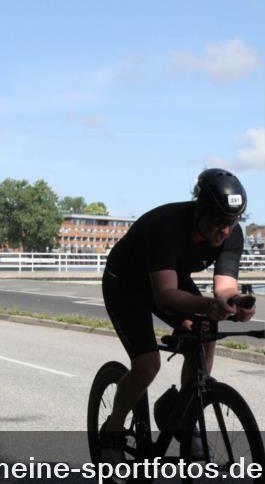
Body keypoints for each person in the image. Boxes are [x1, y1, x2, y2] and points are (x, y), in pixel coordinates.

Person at [100, 168, 256, 444]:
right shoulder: (166, 226)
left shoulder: (231, 234)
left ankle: (184, 414)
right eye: (219, 220)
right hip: (126, 284)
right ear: (200, 211)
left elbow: (225, 287)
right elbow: (164, 295)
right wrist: (208, 305)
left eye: (232, 221)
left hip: (169, 276)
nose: (225, 229)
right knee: (147, 365)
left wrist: (235, 303)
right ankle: (112, 430)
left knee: (206, 331)